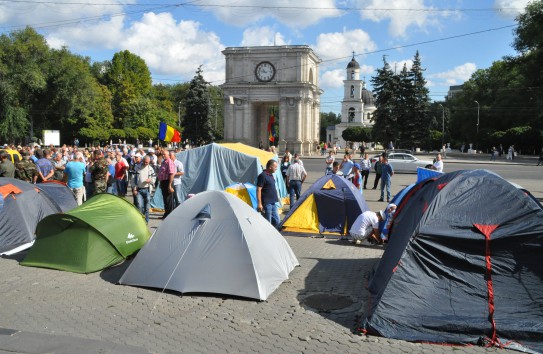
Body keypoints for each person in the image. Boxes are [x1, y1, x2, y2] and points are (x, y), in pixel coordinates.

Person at [257, 159, 280, 227]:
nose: (276, 168)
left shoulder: (271, 175)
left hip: (273, 202)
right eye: (275, 167)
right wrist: (259, 203)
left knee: (277, 221)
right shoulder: (262, 176)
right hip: (267, 203)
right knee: (268, 222)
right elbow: (258, 189)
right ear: (270, 167)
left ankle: (273, 234)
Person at [134, 155, 156, 223]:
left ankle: (146, 221)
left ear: (149, 162)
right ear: (143, 160)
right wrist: (134, 188)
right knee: (140, 206)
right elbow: (133, 179)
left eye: (147, 162)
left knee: (147, 207)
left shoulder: (151, 168)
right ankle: (140, 220)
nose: (146, 163)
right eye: (145, 162)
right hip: (139, 190)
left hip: (147, 189)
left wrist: (151, 180)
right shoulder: (137, 167)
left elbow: (154, 178)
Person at [157, 149, 176, 218]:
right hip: (163, 182)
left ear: (168, 155)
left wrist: (170, 185)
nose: (163, 155)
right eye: (162, 154)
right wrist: (160, 183)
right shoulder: (164, 162)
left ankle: (169, 216)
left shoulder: (169, 162)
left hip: (168, 181)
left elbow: (171, 174)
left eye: (164, 154)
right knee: (165, 199)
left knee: (169, 200)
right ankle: (166, 214)